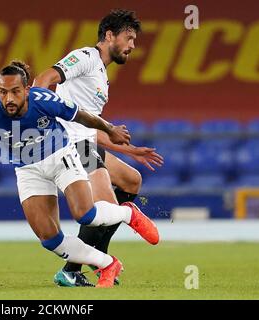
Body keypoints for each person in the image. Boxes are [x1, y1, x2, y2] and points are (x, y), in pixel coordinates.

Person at [0, 60, 159, 288]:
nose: (9, 99)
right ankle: (107, 263)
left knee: (86, 215)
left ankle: (127, 214)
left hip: (60, 155)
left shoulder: (44, 100)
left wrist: (109, 129)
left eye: (15, 92)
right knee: (50, 239)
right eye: (3, 92)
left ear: (27, 89)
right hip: (27, 169)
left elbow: (81, 116)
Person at [32, 9, 163, 287]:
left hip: (84, 141)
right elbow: (45, 78)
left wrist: (132, 151)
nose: (132, 46)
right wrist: (35, 107)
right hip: (71, 145)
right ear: (109, 35)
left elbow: (90, 128)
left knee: (132, 180)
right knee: (106, 208)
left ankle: (97, 258)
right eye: (128, 38)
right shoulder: (85, 58)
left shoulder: (102, 76)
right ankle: (74, 269)